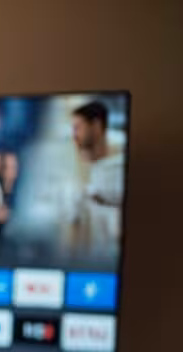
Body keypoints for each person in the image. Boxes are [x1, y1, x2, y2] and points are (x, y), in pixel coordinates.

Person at [70, 100, 125, 255]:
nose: (74, 136)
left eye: (78, 128)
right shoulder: (79, 168)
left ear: (96, 126)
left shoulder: (120, 164)